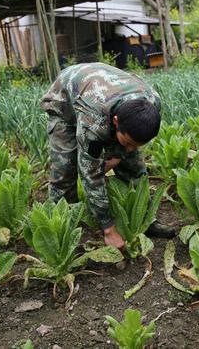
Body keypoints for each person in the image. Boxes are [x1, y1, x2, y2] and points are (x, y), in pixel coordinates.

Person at [40, 62, 175, 250]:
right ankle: (63, 234)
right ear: (115, 121)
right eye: (127, 142)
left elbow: (128, 148)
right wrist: (108, 229)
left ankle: (144, 220)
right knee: (65, 170)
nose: (129, 148)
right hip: (64, 102)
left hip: (105, 92)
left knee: (134, 167)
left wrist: (120, 154)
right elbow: (91, 175)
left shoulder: (151, 102)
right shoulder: (93, 123)